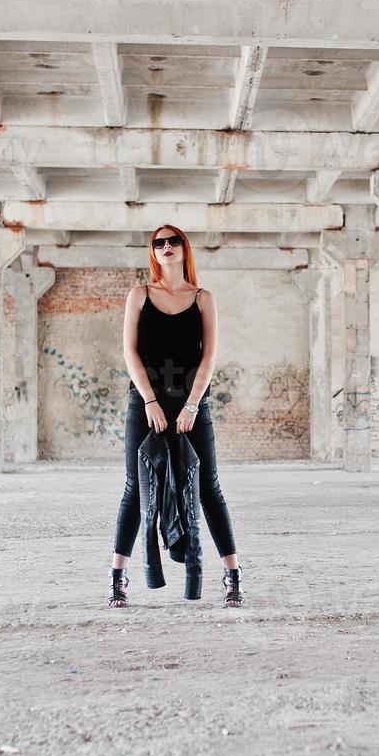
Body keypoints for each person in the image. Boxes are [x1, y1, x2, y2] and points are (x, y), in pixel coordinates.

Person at [108, 225, 243, 608]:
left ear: (185, 248)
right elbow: (130, 353)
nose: (166, 247)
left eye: (173, 241)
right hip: (145, 404)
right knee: (135, 489)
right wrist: (150, 400)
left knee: (208, 488)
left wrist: (192, 405)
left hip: (192, 405)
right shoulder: (139, 295)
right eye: (159, 243)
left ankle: (232, 577)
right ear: (153, 251)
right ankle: (118, 578)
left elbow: (209, 357)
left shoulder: (203, 299)